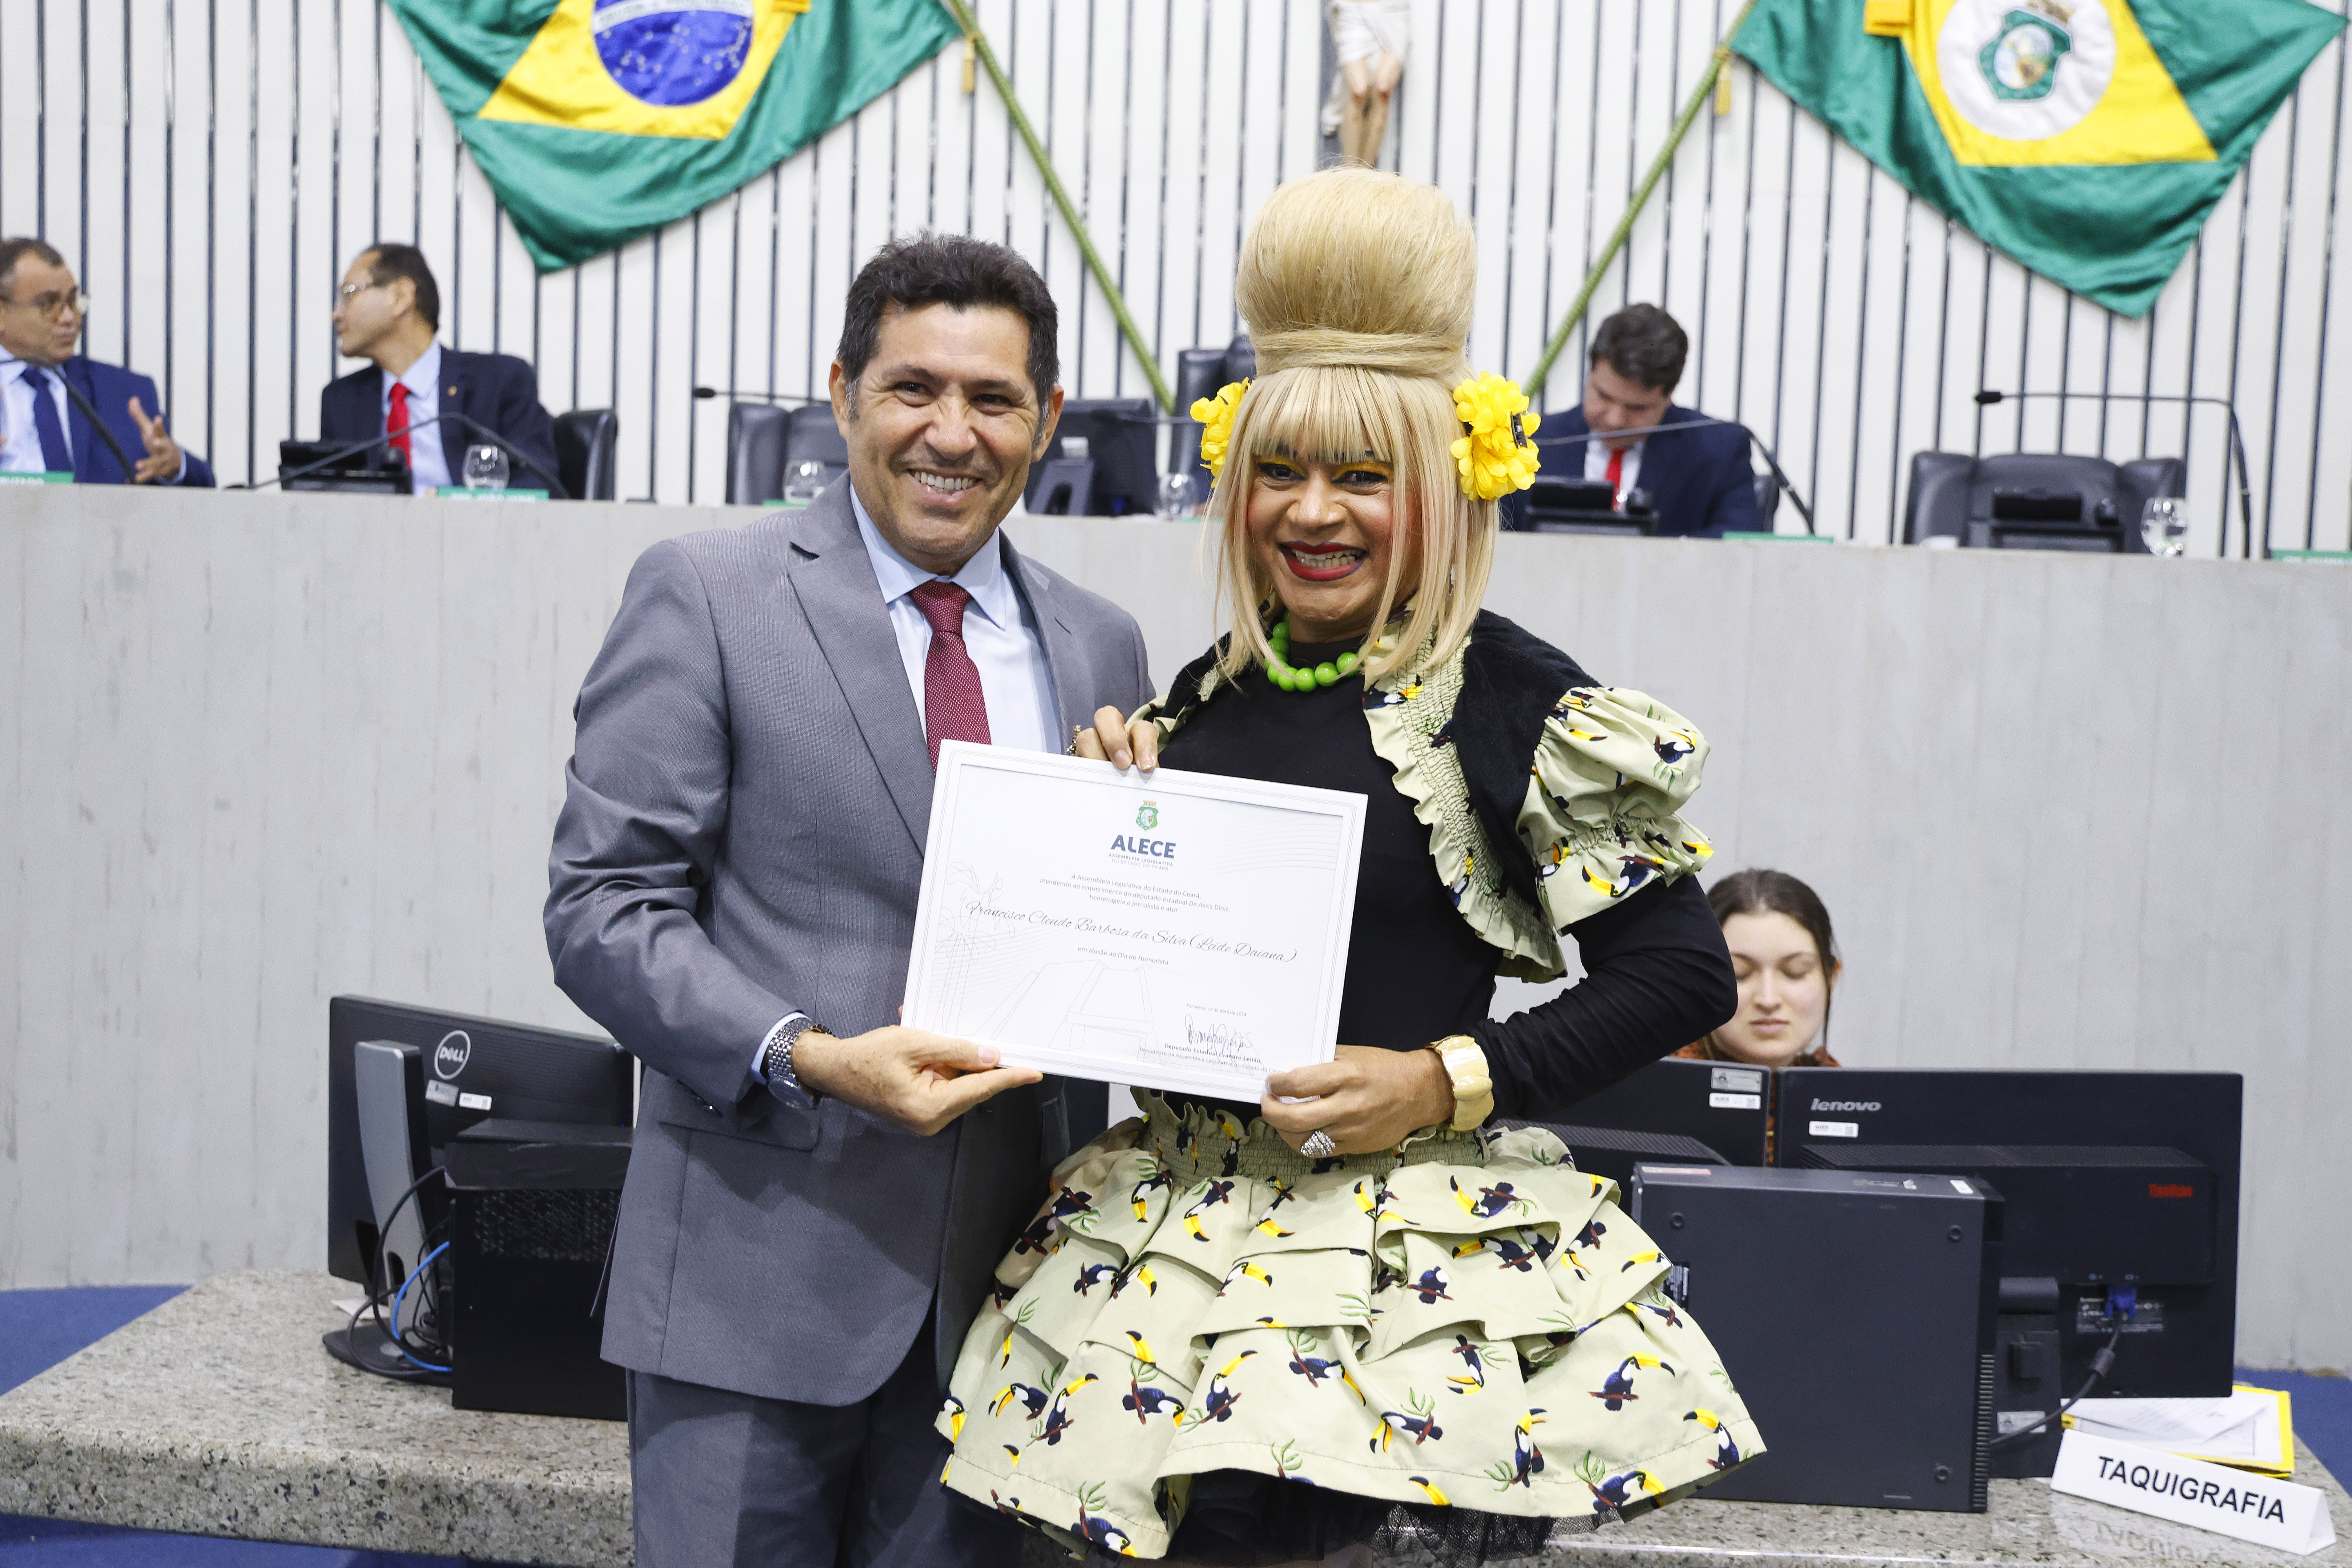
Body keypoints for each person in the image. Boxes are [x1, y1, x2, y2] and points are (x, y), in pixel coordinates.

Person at [935, 168, 1761, 1565]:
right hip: (1163, 1257)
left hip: (1390, 1281)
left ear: (1439, 484)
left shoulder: (1506, 697)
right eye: (1281, 471)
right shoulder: (1201, 692)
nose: (1312, 512)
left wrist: (1442, 1079)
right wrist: (1110, 813)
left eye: (1363, 477)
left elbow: (1682, 971)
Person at [545, 234, 1153, 1568]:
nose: (953, 433)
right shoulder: (707, 593)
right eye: (913, 388)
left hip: (1003, 1317)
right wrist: (808, 1057)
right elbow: (602, 909)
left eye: (993, 399)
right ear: (842, 394)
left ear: (1048, 419)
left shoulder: (1101, 643)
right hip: (748, 1295)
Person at [322, 243, 561, 495]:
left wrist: (452, 502)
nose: (336, 314)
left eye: (349, 294)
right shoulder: (341, 401)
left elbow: (538, 486)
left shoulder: (498, 382)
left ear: (401, 297)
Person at [1527, 304, 1761, 538]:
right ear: (1591, 376)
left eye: (1637, 408)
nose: (1615, 421)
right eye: (1604, 397)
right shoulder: (1533, 441)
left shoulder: (1720, 450)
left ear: (1669, 396)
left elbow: (1740, 544)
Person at [0, 237, 213, 486]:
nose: (69, 318)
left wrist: (174, 466)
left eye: (72, 301)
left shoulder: (124, 393)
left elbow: (204, 487)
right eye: (47, 304)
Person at [1677, 869, 1841, 1069]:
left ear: (1831, 978)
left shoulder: (1845, 1086)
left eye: (1795, 973)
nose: (1768, 1000)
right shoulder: (1654, 1082)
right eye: (1739, 974)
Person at [1321, 2, 1410, 169]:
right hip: (1354, 9)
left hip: (1392, 11)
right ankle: (1350, 170)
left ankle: (1366, 172)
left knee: (1384, 90)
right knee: (1358, 91)